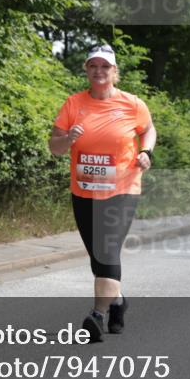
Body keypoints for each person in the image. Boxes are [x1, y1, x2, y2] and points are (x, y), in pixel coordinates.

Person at [49, 43, 156, 342]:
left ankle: (97, 315)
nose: (99, 71)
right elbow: (54, 148)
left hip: (122, 189)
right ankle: (118, 302)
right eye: (93, 66)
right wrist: (68, 138)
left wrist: (146, 151)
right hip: (83, 191)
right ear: (86, 70)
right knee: (98, 258)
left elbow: (148, 129)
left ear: (114, 72)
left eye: (105, 66)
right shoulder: (73, 104)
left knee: (107, 250)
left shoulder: (132, 104)